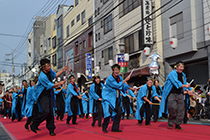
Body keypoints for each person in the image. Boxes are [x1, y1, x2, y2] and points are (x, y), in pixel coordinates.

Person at [30, 58, 67, 136]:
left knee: (51, 112)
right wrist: (60, 83)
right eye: (48, 66)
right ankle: (34, 123)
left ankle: (51, 129)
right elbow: (51, 85)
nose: (50, 67)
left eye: (50, 65)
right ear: (43, 67)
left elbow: (55, 75)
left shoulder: (49, 72)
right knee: (46, 111)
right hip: (42, 95)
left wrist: (62, 70)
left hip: (49, 94)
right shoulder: (42, 76)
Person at [159, 61, 193, 130]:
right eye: (180, 67)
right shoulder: (172, 74)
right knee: (173, 108)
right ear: (176, 67)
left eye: (183, 67)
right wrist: (185, 85)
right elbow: (176, 83)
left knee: (181, 110)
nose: (182, 68)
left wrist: (188, 90)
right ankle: (171, 121)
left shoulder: (183, 75)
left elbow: (184, 84)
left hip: (180, 94)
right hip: (171, 94)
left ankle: (178, 124)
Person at [101, 64, 134, 133]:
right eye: (115, 70)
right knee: (108, 113)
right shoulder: (109, 78)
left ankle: (115, 128)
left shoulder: (119, 78)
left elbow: (124, 85)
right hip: (108, 98)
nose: (117, 71)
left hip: (115, 98)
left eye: (118, 70)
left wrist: (131, 88)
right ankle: (104, 127)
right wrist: (125, 80)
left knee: (119, 112)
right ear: (112, 70)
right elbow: (117, 85)